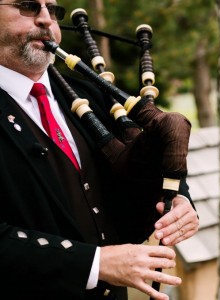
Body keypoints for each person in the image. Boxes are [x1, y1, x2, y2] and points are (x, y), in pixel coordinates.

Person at [0, 1, 199, 300]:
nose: (46, 20)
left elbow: (141, 163)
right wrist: (95, 264)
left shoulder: (90, 94)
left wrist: (179, 198)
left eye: (53, 10)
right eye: (28, 6)